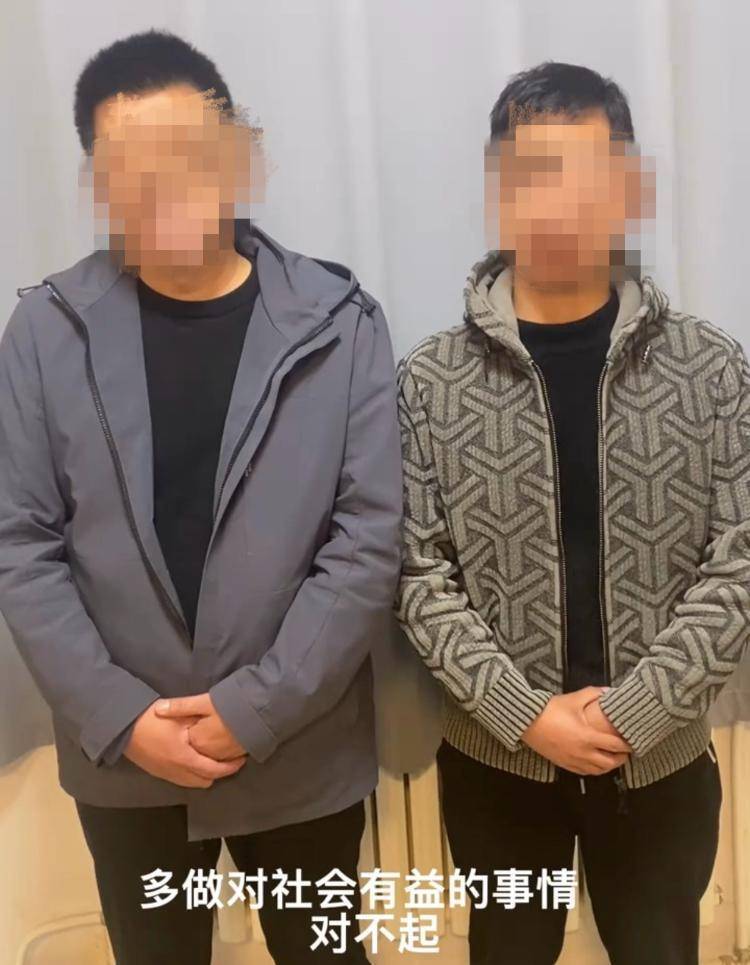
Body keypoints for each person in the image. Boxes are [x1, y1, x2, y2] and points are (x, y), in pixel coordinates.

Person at [0, 29, 402, 965]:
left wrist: (258, 708)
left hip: (299, 749)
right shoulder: (47, 330)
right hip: (125, 759)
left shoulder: (339, 323)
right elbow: (22, 542)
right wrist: (120, 716)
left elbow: (367, 540)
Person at [395, 61, 749, 964]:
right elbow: (417, 574)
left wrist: (640, 707)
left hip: (661, 760)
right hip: (498, 761)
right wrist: (527, 714)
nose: (557, 204)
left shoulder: (710, 370)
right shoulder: (430, 382)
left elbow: (740, 561)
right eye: (531, 175)